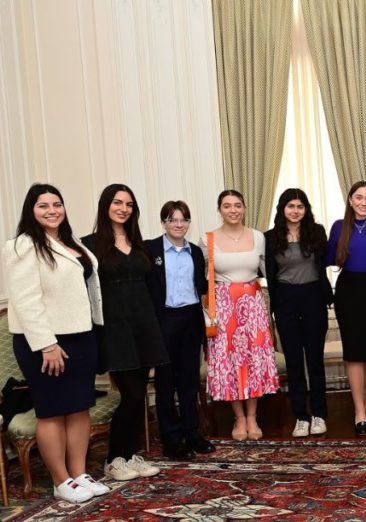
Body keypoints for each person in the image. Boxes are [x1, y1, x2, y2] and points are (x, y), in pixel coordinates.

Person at [3, 184, 109, 503]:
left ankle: (78, 475)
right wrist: (46, 344)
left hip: (81, 336)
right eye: (43, 205)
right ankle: (60, 480)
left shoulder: (69, 241)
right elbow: (26, 299)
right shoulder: (22, 245)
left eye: (57, 204)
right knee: (52, 411)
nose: (52, 210)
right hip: (46, 342)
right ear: (30, 211)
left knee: (79, 407)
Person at [83, 184, 167, 481]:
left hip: (144, 326)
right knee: (130, 395)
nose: (123, 208)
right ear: (106, 205)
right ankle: (113, 460)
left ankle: (130, 455)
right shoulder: (89, 246)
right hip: (115, 330)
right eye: (117, 202)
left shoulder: (138, 242)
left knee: (139, 394)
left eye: (129, 204)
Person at [203, 189, 279, 441]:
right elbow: (203, 278)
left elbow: (268, 270)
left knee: (254, 359)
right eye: (227, 205)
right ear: (219, 209)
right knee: (230, 361)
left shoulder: (258, 237)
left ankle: (253, 417)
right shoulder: (209, 239)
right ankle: (239, 418)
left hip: (253, 305)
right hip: (224, 307)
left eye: (237, 205)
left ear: (244, 208)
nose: (233, 210)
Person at [144, 201, 216, 460]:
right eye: (172, 220)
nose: (178, 225)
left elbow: (203, 287)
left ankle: (192, 434)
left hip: (190, 319)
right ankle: (171, 439)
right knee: (166, 383)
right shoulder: (150, 249)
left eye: (183, 220)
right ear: (163, 222)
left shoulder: (195, 252)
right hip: (164, 321)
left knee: (189, 383)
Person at [264, 189, 331, 438]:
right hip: (285, 300)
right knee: (293, 361)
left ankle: (319, 414)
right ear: (282, 209)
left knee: (314, 359)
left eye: (300, 206)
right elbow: (268, 273)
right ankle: (301, 416)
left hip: (313, 298)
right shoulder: (270, 237)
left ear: (306, 209)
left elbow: (325, 265)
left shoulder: (317, 232)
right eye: (290, 206)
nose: (295, 210)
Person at [326, 181, 366, 436]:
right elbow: (329, 258)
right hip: (348, 290)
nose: (364, 202)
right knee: (353, 352)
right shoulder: (339, 227)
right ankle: (359, 410)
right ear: (350, 200)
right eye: (359, 197)